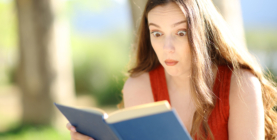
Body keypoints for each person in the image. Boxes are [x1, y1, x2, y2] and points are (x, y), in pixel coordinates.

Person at [67, 0, 277, 139]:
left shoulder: (241, 84)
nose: (167, 48)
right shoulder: (139, 87)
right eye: (157, 34)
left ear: (203, 32)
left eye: (181, 32)